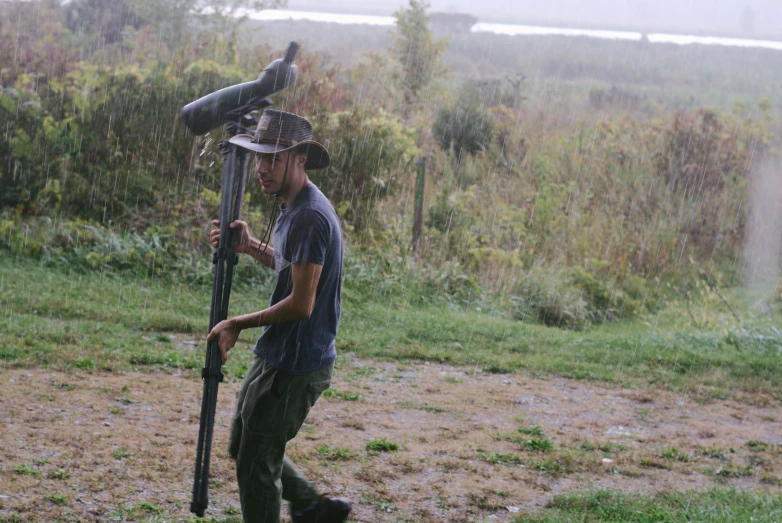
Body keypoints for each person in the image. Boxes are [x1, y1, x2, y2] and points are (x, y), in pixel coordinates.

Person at [206, 109, 351, 523]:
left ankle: (309, 505)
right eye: (259, 157)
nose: (263, 169)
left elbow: (302, 303)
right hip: (278, 351)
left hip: (296, 362)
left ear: (300, 158)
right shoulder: (294, 204)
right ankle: (312, 505)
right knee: (245, 445)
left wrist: (237, 323)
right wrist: (252, 246)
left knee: (257, 463)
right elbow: (295, 270)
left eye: (274, 158)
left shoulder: (308, 216)